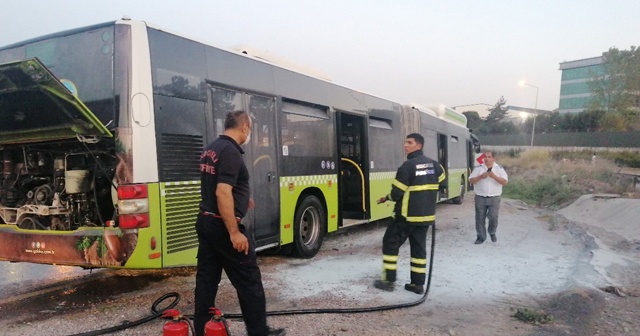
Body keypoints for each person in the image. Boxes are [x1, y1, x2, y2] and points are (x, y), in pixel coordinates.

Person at [194, 111, 285, 336]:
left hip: (206, 222)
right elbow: (222, 192)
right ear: (244, 126)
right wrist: (234, 233)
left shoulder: (211, 149)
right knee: (249, 281)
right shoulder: (231, 152)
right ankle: (259, 332)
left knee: (207, 280)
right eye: (250, 127)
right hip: (223, 227)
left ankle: (201, 331)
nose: (249, 133)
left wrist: (244, 200)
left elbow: (221, 187)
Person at [373, 133, 446, 294]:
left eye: (409, 142)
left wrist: (387, 198)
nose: (405, 145)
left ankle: (388, 281)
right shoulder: (436, 166)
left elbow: (397, 193)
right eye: (405, 142)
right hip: (426, 217)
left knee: (390, 244)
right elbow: (443, 185)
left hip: (405, 217)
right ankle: (417, 284)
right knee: (419, 250)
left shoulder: (407, 166)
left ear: (419, 145)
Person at [468, 151, 508, 244]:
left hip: (494, 197)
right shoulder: (479, 168)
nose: (487, 159)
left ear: (493, 158)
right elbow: (471, 180)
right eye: (485, 157)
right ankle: (481, 237)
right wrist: (481, 177)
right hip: (480, 197)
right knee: (479, 218)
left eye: (489, 157)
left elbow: (505, 181)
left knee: (493, 217)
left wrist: (493, 176)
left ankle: (492, 232)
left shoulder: (499, 168)